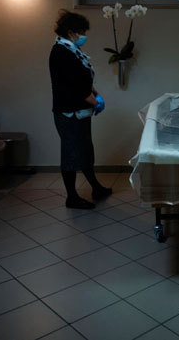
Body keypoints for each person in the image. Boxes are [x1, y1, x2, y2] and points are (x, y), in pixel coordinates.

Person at [49, 10, 112, 209]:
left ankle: (96, 187)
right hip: (69, 113)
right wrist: (95, 102)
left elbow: (84, 79)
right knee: (71, 154)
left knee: (85, 151)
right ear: (71, 32)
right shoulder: (61, 52)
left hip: (79, 112)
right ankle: (72, 197)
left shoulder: (72, 50)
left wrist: (95, 94)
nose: (84, 35)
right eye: (82, 32)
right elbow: (75, 85)